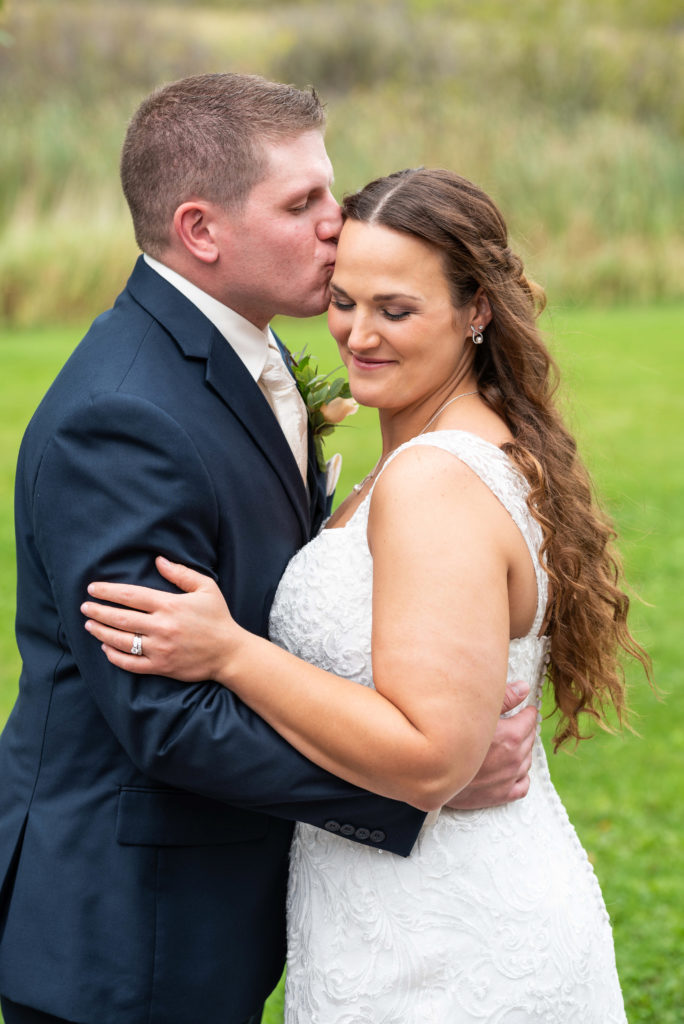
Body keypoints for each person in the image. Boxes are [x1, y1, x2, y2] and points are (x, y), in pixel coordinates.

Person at [0, 77, 536, 1024]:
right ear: (202, 231)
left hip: (223, 915)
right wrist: (421, 785)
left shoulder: (248, 357)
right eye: (304, 204)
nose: (339, 223)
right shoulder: (123, 415)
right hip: (128, 937)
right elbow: (164, 717)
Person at [81, 167, 650, 1022]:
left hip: (446, 946)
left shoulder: (434, 480)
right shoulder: (443, 448)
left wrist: (233, 653)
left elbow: (430, 756)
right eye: (344, 301)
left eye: (397, 309)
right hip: (389, 911)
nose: (358, 334)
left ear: (477, 310)